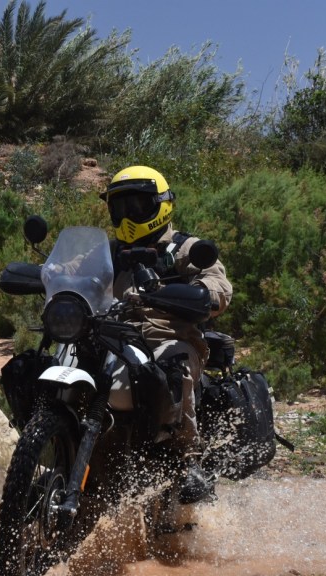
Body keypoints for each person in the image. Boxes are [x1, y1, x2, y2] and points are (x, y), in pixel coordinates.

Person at [99, 165, 233, 504]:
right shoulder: (107, 253)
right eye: (120, 208)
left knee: (174, 366)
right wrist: (47, 275)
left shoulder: (184, 248)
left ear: (160, 205)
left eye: (137, 206)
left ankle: (188, 459)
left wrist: (203, 293)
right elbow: (71, 271)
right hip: (111, 337)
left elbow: (217, 284)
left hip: (169, 337)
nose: (128, 216)